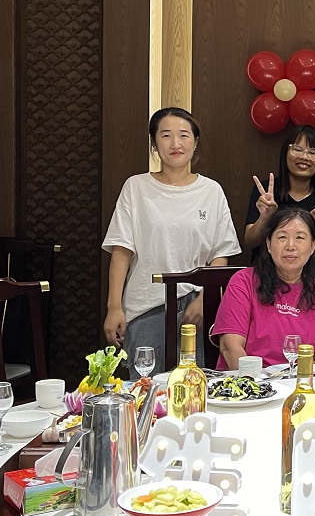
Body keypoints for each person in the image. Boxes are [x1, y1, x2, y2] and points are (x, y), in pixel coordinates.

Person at [102, 107, 241, 364]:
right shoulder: (136, 187)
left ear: (195, 142)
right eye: (166, 135)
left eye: (184, 135)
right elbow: (121, 250)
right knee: (147, 384)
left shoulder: (211, 191)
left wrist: (205, 299)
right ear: (154, 143)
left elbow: (221, 254)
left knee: (197, 384)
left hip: (196, 308)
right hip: (147, 306)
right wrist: (114, 307)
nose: (175, 143)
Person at [212, 208, 315, 368]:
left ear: (313, 246)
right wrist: (257, 382)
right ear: (269, 244)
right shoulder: (243, 281)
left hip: (300, 380)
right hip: (248, 379)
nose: (290, 246)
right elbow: (231, 348)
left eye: (299, 237)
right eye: (282, 237)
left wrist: (297, 381)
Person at [243, 126, 315, 292]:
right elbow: (249, 241)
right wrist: (265, 218)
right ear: (285, 152)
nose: (304, 157)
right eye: (297, 149)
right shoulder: (266, 193)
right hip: (264, 281)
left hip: (309, 284)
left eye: (313, 152)